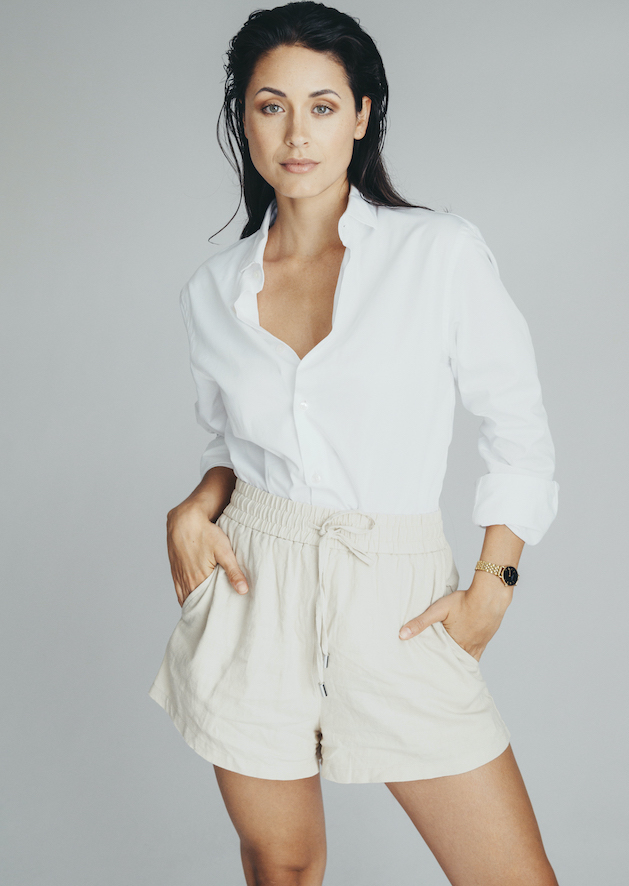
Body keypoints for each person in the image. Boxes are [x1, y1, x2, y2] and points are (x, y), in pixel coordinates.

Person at [148, 3, 560, 884]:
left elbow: (518, 432)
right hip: (254, 586)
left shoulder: (436, 254)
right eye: (271, 106)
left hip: (395, 590)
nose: (297, 133)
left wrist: (492, 587)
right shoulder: (212, 291)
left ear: (363, 115)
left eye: (323, 105)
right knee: (283, 867)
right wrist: (194, 506)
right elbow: (231, 445)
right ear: (243, 120)